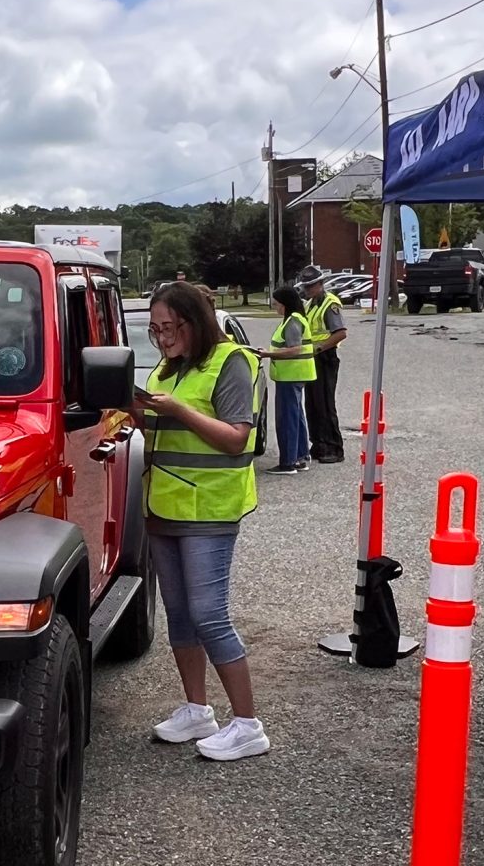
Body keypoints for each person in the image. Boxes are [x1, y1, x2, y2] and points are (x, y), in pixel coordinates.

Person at [138, 281, 270, 762]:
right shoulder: (168, 367)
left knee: (210, 616)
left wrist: (177, 410)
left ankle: (248, 725)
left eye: (169, 329)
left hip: (209, 509)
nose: (162, 339)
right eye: (154, 331)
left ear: (195, 322)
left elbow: (237, 438)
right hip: (163, 506)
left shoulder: (233, 361)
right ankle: (197, 709)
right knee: (180, 616)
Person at [257, 286, 316, 475]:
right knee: (296, 416)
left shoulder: (292, 322)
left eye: (277, 304)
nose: (276, 308)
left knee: (287, 418)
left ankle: (288, 462)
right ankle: (300, 457)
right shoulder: (294, 319)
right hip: (296, 375)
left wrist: (268, 354)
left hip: (291, 375)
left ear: (285, 304)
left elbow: (295, 349)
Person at [298, 267, 348, 463]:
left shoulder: (330, 304)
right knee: (312, 404)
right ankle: (319, 444)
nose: (308, 289)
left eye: (311, 286)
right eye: (306, 286)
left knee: (325, 404)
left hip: (325, 357)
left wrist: (318, 348)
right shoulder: (310, 304)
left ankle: (334, 448)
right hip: (313, 359)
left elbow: (341, 333)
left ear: (320, 284)